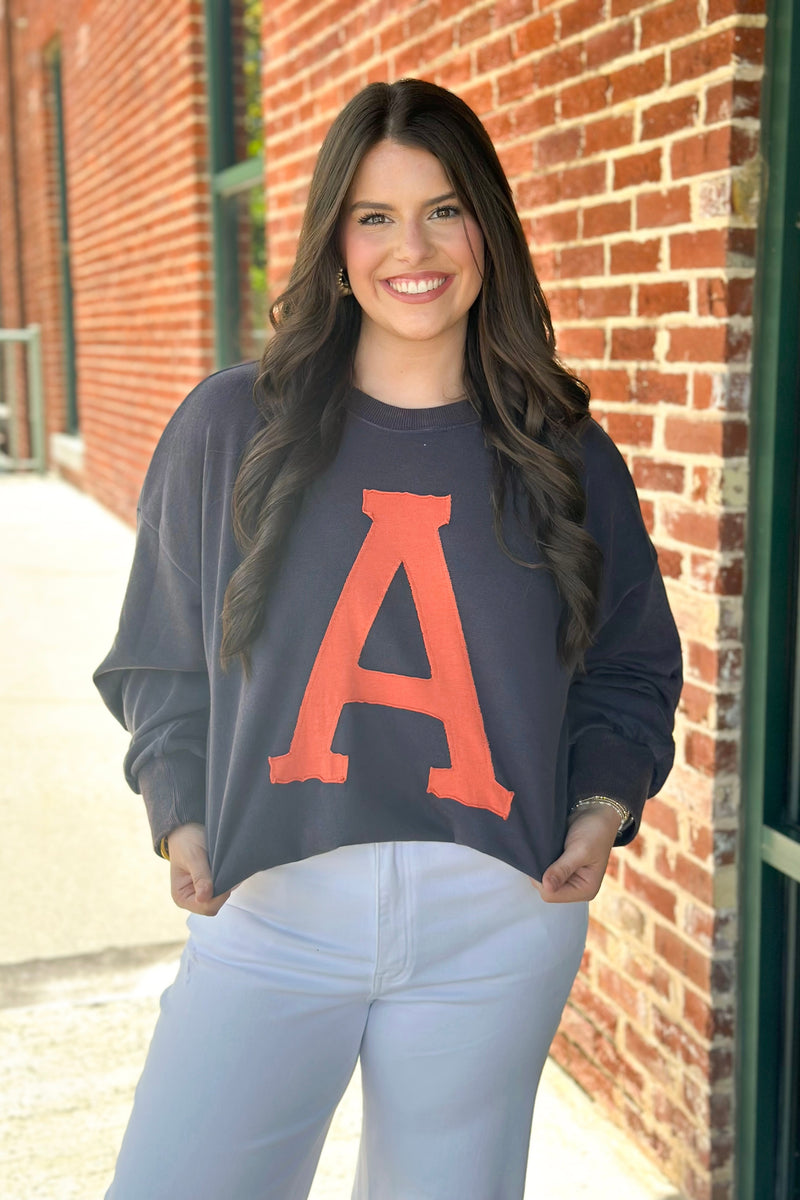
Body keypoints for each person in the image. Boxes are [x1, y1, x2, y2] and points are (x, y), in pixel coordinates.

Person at [94, 78, 682, 1200]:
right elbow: (159, 657)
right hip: (271, 902)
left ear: (488, 231)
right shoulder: (232, 424)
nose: (411, 247)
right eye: (373, 216)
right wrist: (177, 812)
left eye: (444, 209)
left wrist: (600, 809)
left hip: (494, 920)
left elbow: (629, 662)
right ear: (334, 240)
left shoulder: (558, 448)